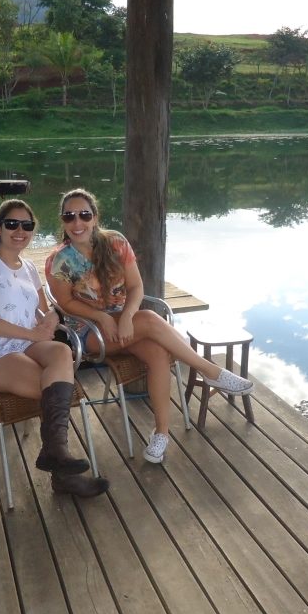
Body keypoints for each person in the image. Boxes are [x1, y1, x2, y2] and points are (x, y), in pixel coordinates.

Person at [45, 188, 253, 464]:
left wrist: (127, 316)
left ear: (95, 217)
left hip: (128, 328)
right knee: (151, 320)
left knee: (158, 353)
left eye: (84, 214)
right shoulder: (60, 260)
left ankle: (161, 433)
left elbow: (136, 287)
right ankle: (210, 370)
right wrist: (103, 318)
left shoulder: (116, 243)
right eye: (69, 216)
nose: (77, 222)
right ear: (62, 221)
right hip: (90, 333)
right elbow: (66, 303)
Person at [0, 199, 108, 498]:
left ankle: (56, 455)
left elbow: (44, 309)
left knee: (62, 352)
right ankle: (61, 469)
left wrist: (52, 316)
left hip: (27, 344)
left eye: (26, 225)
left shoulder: (28, 267)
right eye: (12, 224)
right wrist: (32, 333)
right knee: (52, 390)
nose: (20, 231)